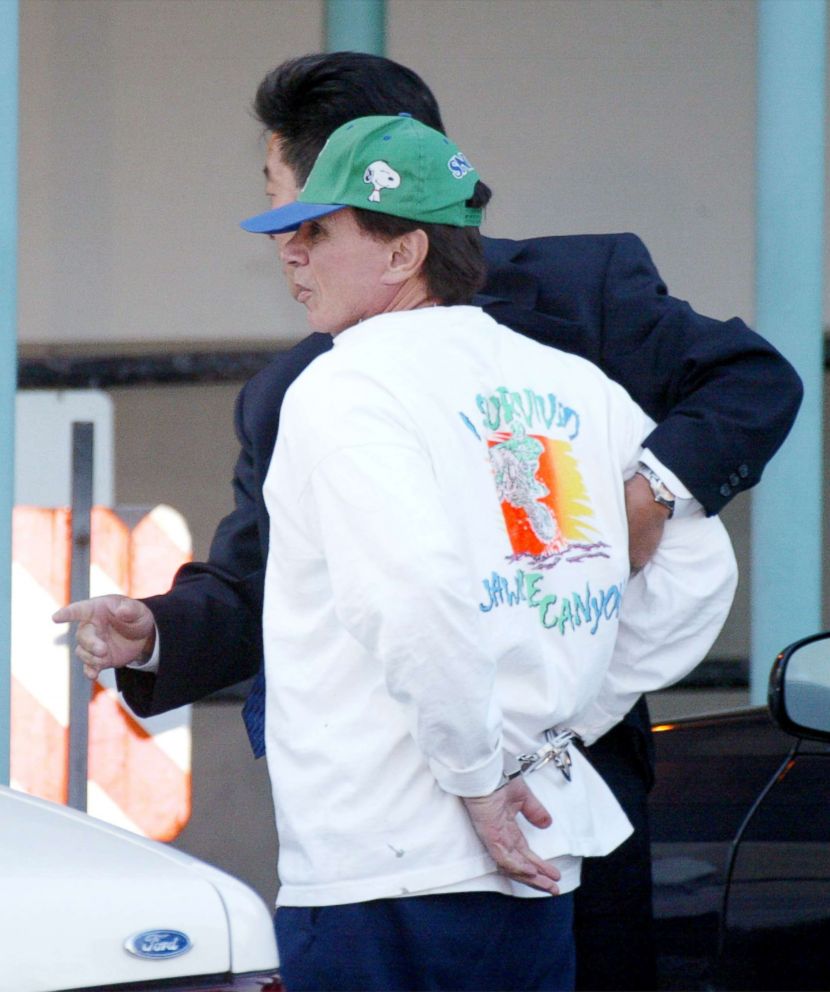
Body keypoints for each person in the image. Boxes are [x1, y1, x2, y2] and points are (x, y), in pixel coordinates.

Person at [51, 53, 802, 992]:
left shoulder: (566, 300)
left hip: (485, 836)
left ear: (387, 228)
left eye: (303, 218)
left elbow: (754, 383)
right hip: (464, 817)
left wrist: (643, 499)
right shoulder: (302, 385)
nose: (286, 249)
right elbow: (264, 580)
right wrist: (159, 629)